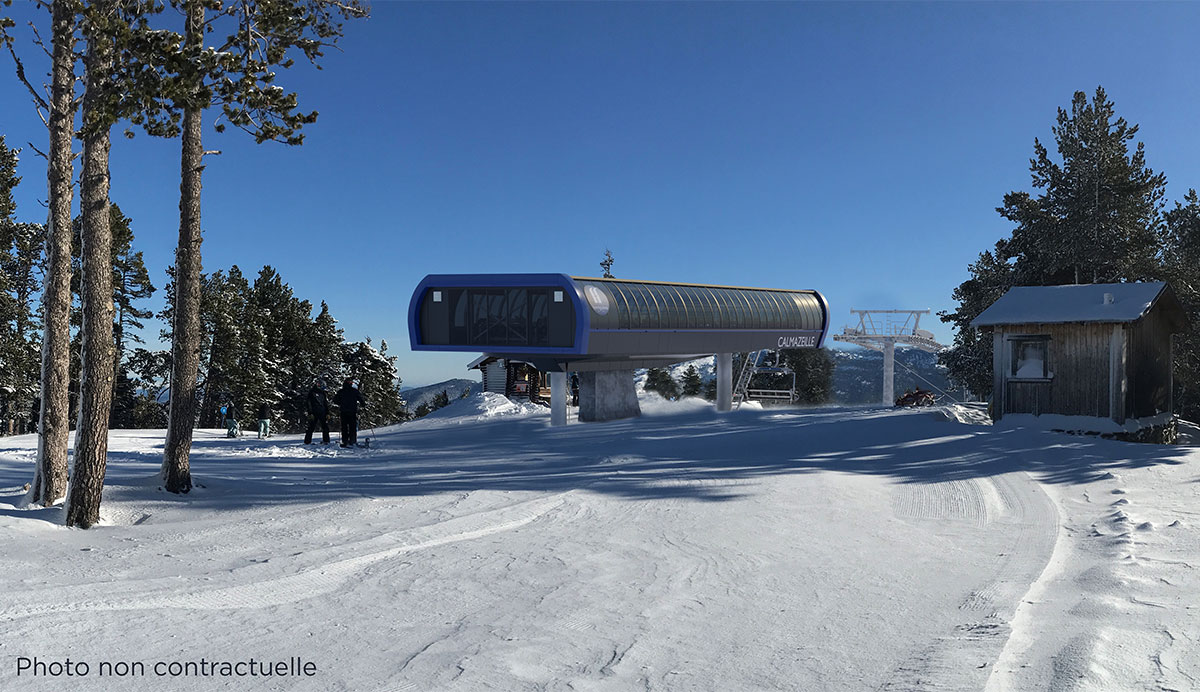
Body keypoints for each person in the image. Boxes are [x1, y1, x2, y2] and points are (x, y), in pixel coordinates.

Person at [334, 377, 365, 447]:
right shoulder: (354, 391)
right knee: (352, 426)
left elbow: (335, 400)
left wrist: (340, 403)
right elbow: (361, 399)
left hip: (343, 411)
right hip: (352, 411)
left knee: (344, 427)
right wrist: (363, 404)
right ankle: (352, 440)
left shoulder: (341, 391)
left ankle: (345, 441)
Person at [304, 379, 330, 445]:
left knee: (325, 427)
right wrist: (310, 413)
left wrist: (327, 413)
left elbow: (325, 403)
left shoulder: (323, 393)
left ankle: (326, 440)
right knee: (311, 427)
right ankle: (307, 442)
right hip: (314, 412)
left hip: (322, 412)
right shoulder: (312, 392)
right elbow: (308, 403)